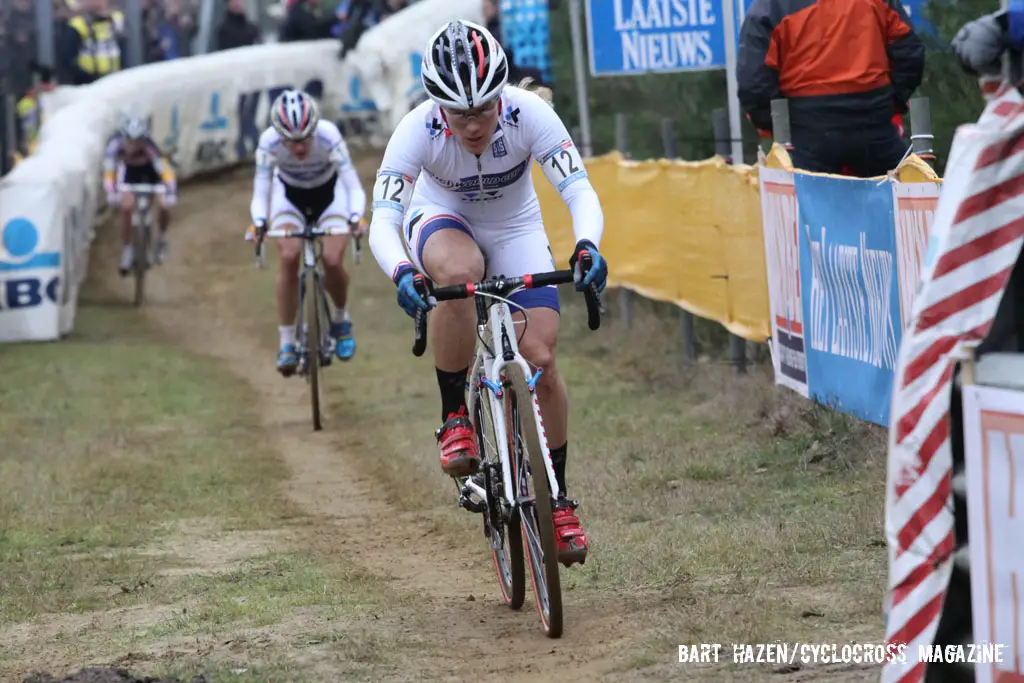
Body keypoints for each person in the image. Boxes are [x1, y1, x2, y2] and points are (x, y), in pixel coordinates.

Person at [366, 20, 608, 567]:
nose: (473, 125)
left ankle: (558, 498)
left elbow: (579, 190)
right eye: (459, 114)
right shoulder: (415, 130)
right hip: (443, 219)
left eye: (483, 110)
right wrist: (404, 269)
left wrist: (588, 245)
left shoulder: (531, 114)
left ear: (502, 96)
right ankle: (456, 415)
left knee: (541, 356)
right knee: (460, 268)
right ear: (437, 107)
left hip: (515, 226)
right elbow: (383, 219)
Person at [249, 89, 367, 374]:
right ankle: (287, 342)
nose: (299, 148)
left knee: (332, 259)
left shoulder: (329, 135)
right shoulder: (268, 143)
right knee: (289, 257)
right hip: (289, 198)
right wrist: (260, 221)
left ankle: (340, 318)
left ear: (315, 129)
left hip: (330, 197)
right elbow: (261, 190)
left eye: (305, 139)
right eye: (291, 142)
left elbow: (353, 186)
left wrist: (355, 217)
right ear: (279, 136)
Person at [737, 0, 925, 177]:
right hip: (873, 123)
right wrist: (889, 104)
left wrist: (780, 128)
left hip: (807, 133)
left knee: (807, 206)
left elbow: (754, 84)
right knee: (908, 195)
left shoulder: (771, 5)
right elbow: (909, 54)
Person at [103, 113, 177, 274]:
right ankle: (127, 249)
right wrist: (111, 192)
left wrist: (170, 193)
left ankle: (162, 240)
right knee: (127, 207)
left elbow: (166, 172)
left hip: (152, 175)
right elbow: (110, 173)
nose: (133, 145)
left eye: (138, 142)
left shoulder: (150, 146)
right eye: (130, 141)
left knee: (164, 205)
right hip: (129, 175)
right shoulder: (114, 145)